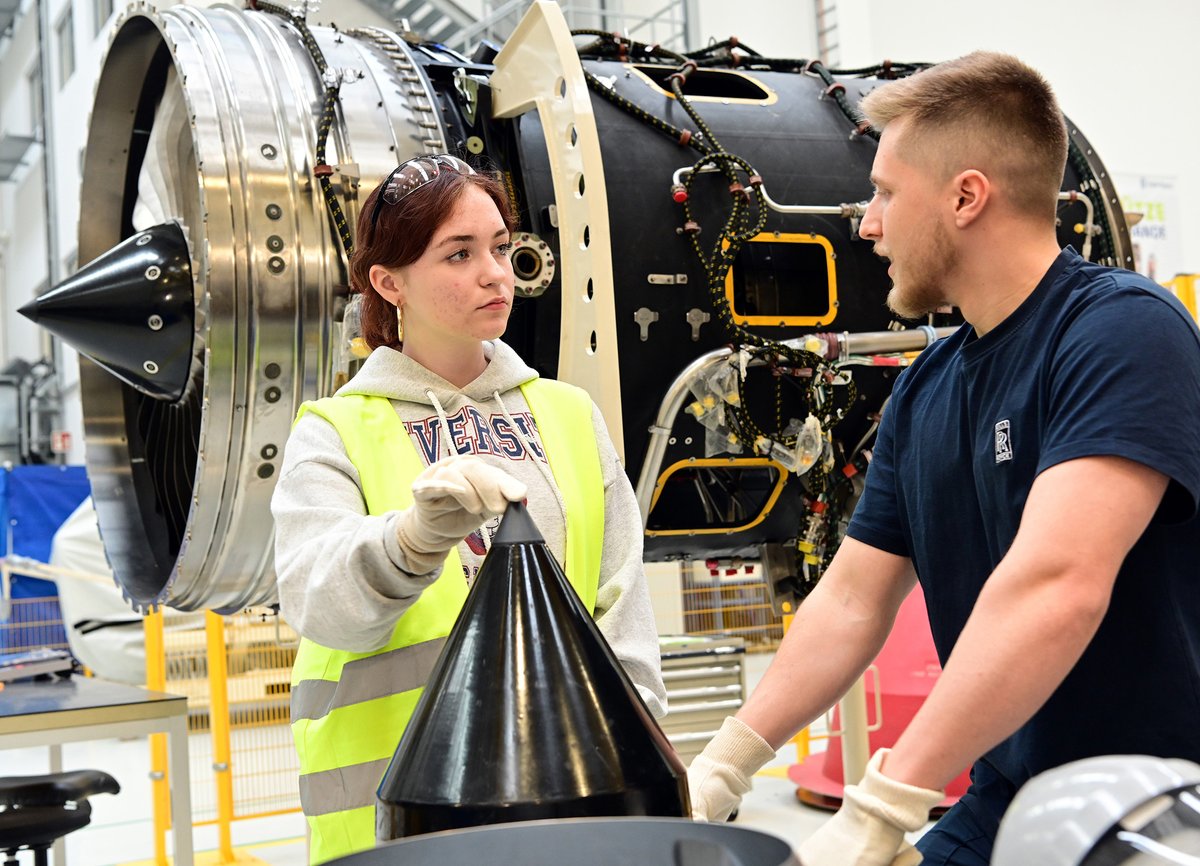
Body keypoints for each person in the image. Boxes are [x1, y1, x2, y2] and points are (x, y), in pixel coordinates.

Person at [686, 51, 1200, 866]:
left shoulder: (1121, 332)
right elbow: (852, 601)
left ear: (966, 196)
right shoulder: (926, 390)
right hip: (1011, 790)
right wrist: (724, 762)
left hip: (1157, 799)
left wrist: (885, 804)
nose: (867, 224)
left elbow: (1058, 587)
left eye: (887, 193)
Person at [270, 154, 667, 864]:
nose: (495, 272)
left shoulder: (568, 416)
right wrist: (412, 539)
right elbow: (318, 602)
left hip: (568, 812)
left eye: (500, 247)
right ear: (390, 283)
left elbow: (623, 618)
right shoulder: (334, 431)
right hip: (396, 826)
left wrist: (638, 775)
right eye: (459, 254)